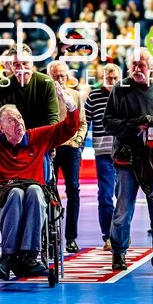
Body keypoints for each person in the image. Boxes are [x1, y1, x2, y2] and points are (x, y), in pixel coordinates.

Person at [0, 83, 80, 280]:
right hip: (1, 192)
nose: (19, 123)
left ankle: (28, 255)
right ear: (1, 126)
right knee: (15, 193)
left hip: (33, 189)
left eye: (20, 118)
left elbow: (70, 128)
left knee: (33, 190)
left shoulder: (38, 137)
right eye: (11, 120)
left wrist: (71, 108)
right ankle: (8, 256)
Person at [103, 47, 153, 275]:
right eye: (133, 64)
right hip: (127, 160)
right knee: (123, 210)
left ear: (152, 68)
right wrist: (135, 127)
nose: (137, 69)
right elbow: (108, 123)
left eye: (141, 65)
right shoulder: (120, 89)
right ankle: (118, 253)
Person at [46, 60, 87, 254]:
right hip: (50, 150)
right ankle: (49, 234)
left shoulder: (76, 96)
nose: (60, 80)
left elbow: (83, 123)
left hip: (71, 149)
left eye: (63, 76)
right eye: (56, 76)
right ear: (49, 76)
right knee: (48, 192)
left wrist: (77, 141)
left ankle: (71, 237)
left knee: (73, 190)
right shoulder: (44, 97)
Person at [83, 62, 121, 250]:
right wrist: (78, 145)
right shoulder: (93, 96)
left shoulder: (125, 95)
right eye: (109, 78)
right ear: (102, 79)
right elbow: (84, 122)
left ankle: (121, 234)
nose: (112, 82)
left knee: (122, 197)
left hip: (124, 153)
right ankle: (107, 235)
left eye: (115, 79)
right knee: (105, 196)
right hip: (103, 154)